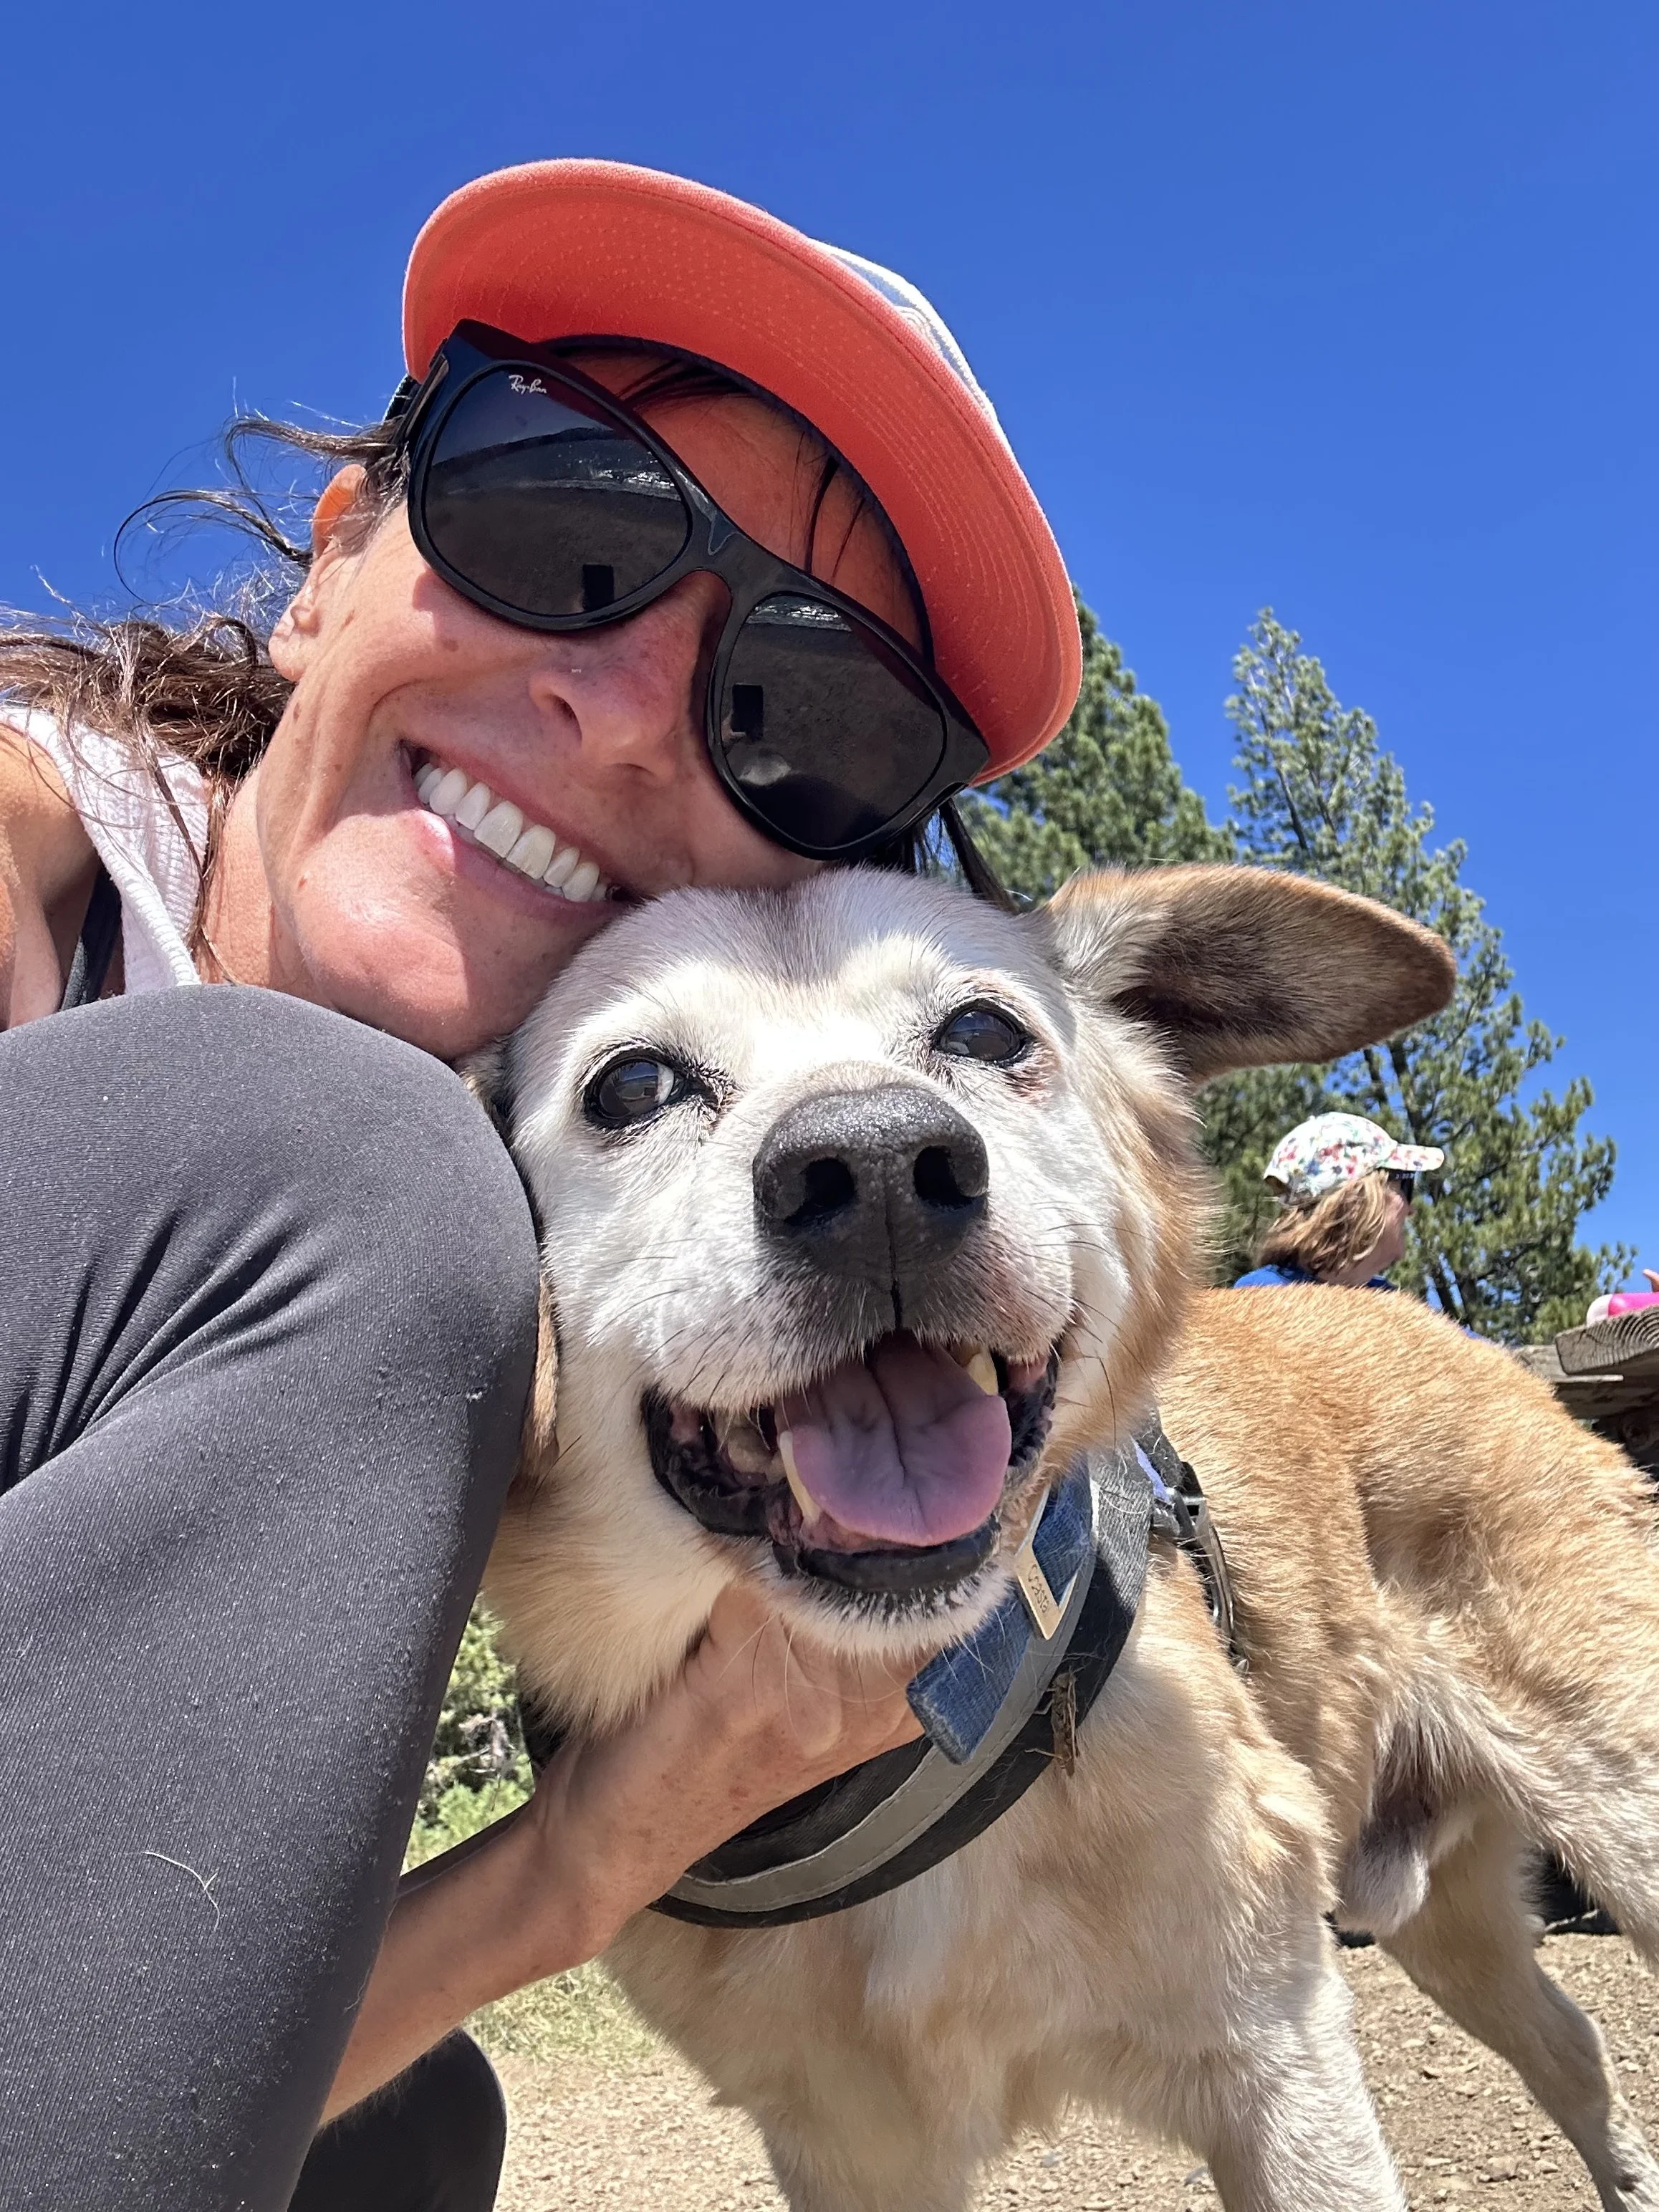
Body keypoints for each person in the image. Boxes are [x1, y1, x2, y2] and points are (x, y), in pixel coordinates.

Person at [0, 160, 1081, 2211]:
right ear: (329, 560)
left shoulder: (540, 1249)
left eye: (811, 710)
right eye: (557, 516)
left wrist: (588, 1855)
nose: (621, 714)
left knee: (407, 2133)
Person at [1232, 1111, 1444, 1291]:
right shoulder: (1260, 1297)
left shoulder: (1387, 1298)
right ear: (1360, 1199)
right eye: (1406, 1187)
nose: (1411, 1209)